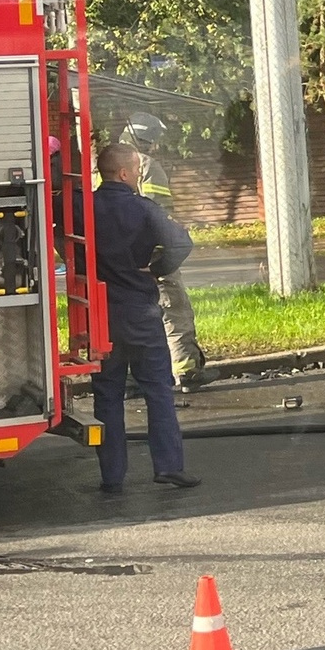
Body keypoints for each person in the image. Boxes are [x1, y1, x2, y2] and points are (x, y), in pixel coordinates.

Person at [91, 143, 200, 493]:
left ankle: (111, 476)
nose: (138, 175)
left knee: (107, 394)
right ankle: (168, 466)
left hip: (100, 314)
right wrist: (155, 269)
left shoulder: (85, 207)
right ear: (124, 173)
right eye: (136, 170)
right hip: (141, 312)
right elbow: (182, 244)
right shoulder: (144, 209)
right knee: (157, 390)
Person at [121, 112, 207, 390]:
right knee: (175, 311)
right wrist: (163, 256)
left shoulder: (103, 165)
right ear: (147, 140)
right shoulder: (146, 165)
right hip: (152, 257)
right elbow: (157, 214)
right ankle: (188, 372)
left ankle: (132, 381)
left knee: (132, 321)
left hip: (119, 259)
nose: (155, 146)